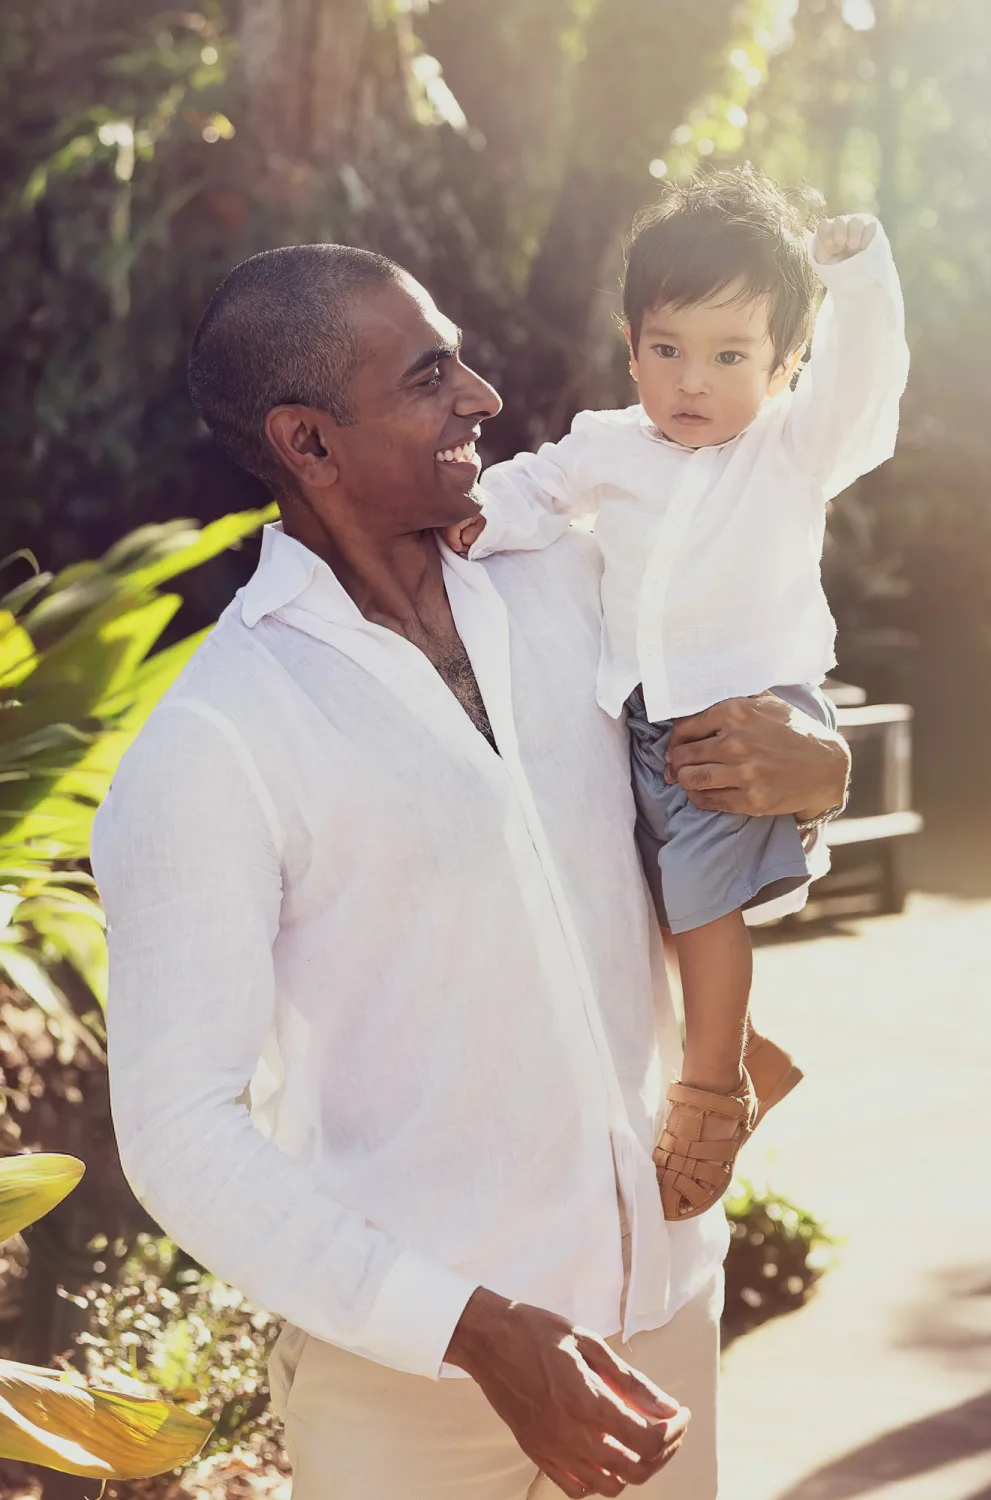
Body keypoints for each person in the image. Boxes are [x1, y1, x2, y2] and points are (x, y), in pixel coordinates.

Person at [90, 243, 850, 1500]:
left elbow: (733, 732)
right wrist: (469, 1328)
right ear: (308, 442)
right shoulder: (213, 739)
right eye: (428, 373)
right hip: (412, 1400)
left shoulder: (576, 577)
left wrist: (814, 768)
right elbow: (178, 1132)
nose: (484, 396)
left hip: (660, 1320)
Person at [445, 167, 908, 1222]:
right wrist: (472, 520)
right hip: (644, 718)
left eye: (729, 356)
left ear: (785, 363)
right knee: (642, 906)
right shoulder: (612, 444)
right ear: (630, 346)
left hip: (744, 718)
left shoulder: (790, 448)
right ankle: (751, 1054)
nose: (691, 382)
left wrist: (858, 277)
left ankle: (707, 1099)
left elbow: (863, 392)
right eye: (666, 350)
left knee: (699, 917)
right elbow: (531, 485)